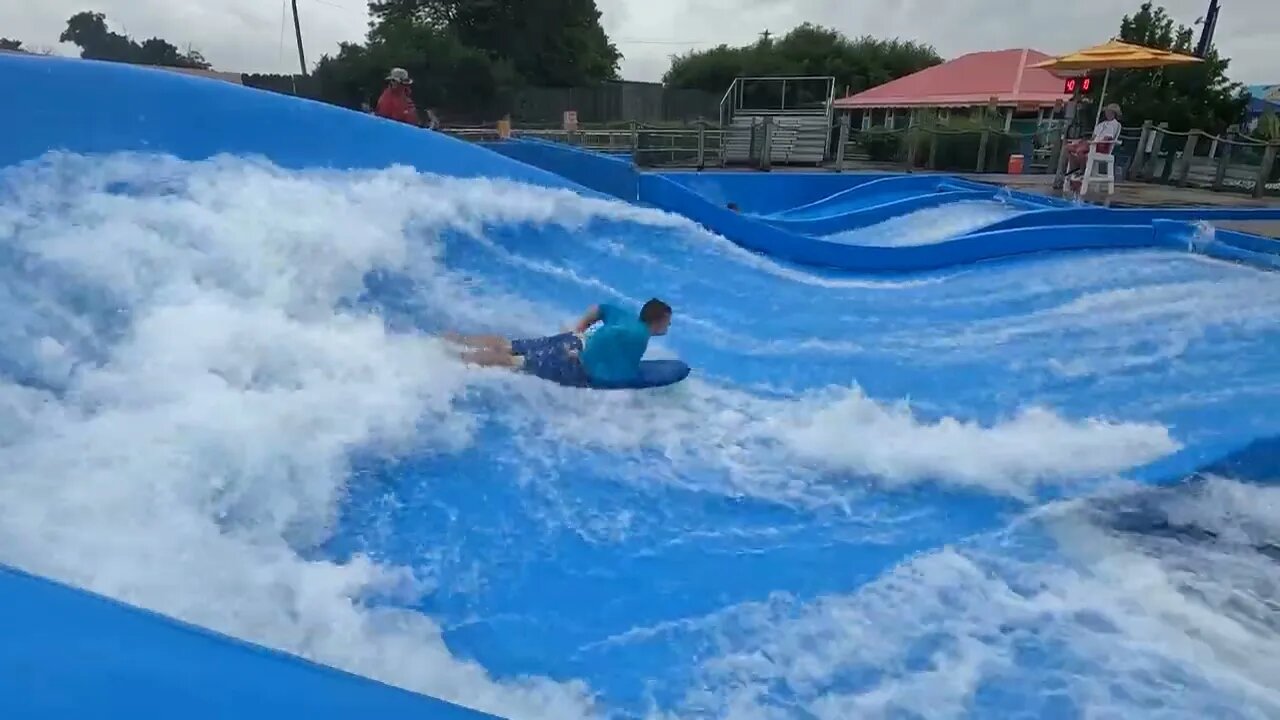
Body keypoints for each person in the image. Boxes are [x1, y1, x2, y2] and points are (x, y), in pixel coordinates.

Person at [448, 299, 674, 386]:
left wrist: (579, 332)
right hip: (572, 361)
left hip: (572, 341)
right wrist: (582, 358)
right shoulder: (639, 335)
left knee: (510, 346)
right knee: (515, 362)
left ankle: (454, 341)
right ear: (660, 320)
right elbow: (608, 337)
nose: (668, 327)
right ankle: (454, 358)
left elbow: (599, 308)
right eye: (668, 322)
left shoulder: (627, 317)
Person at [1067, 103, 1122, 175]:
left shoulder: (1114, 124)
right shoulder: (1102, 124)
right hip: (1093, 144)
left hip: (1101, 147)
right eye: (1106, 111)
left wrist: (1094, 142)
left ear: (1114, 113)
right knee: (1068, 147)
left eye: (1109, 112)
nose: (1107, 113)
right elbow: (1093, 136)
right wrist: (1086, 141)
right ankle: (1076, 166)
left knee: (1079, 150)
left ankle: (1082, 170)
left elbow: (1107, 138)